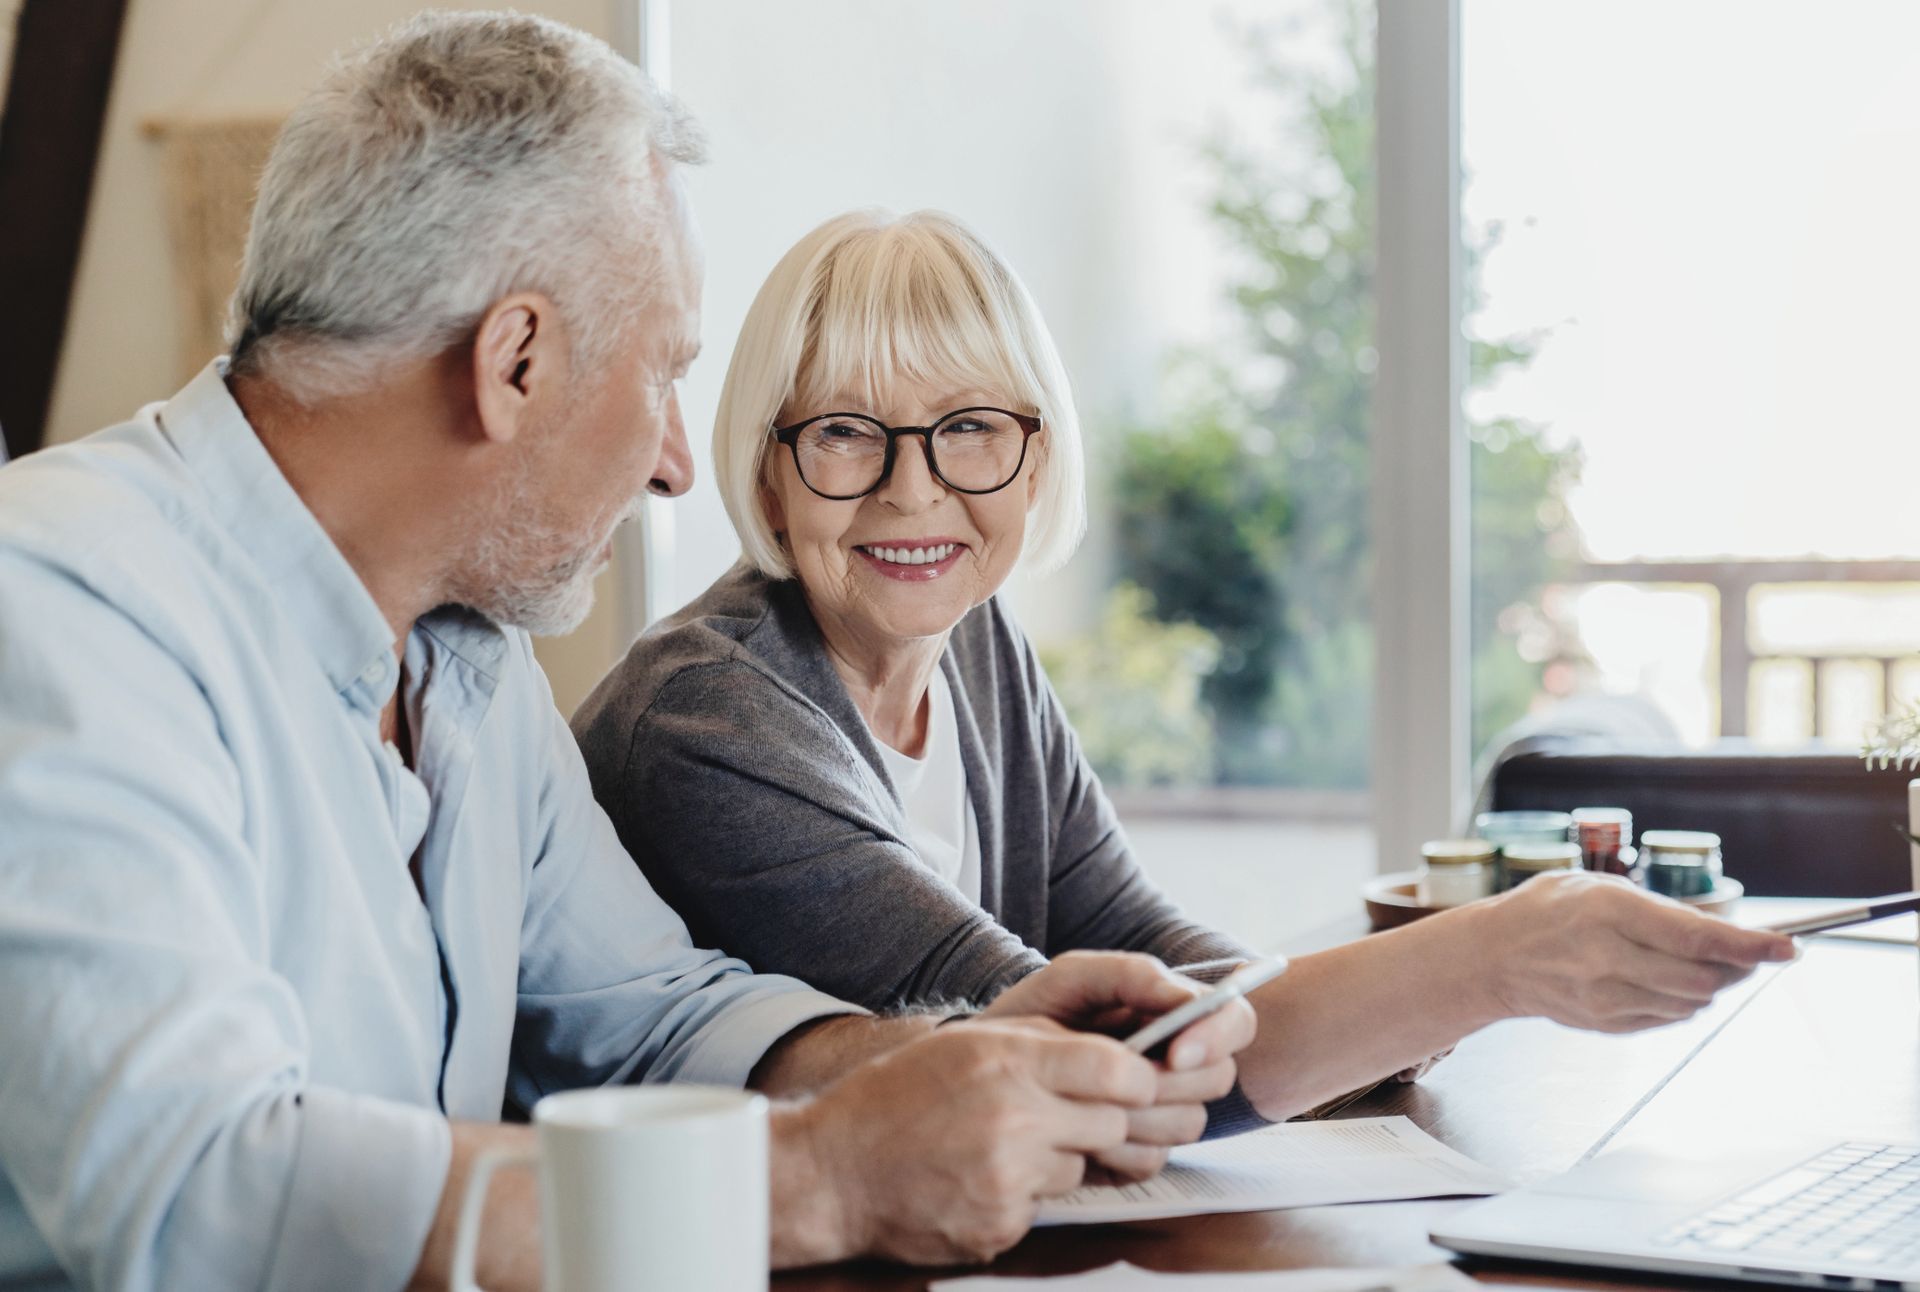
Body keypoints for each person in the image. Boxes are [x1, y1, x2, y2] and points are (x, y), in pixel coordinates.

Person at [0, 20, 1256, 1292]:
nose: (670, 460)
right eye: (664, 376)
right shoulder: (57, 608)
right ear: (516, 363)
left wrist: (957, 1055)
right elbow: (192, 1186)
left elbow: (654, 1011)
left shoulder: (470, 671)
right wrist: (817, 1176)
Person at [571, 207, 1799, 1130]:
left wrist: (1370, 1021)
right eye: (844, 431)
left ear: (1036, 459)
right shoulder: (709, 716)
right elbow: (1073, 1050)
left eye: (969, 430)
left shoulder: (979, 646)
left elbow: (1136, 934)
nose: (913, 487)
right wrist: (1485, 960)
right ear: (769, 466)